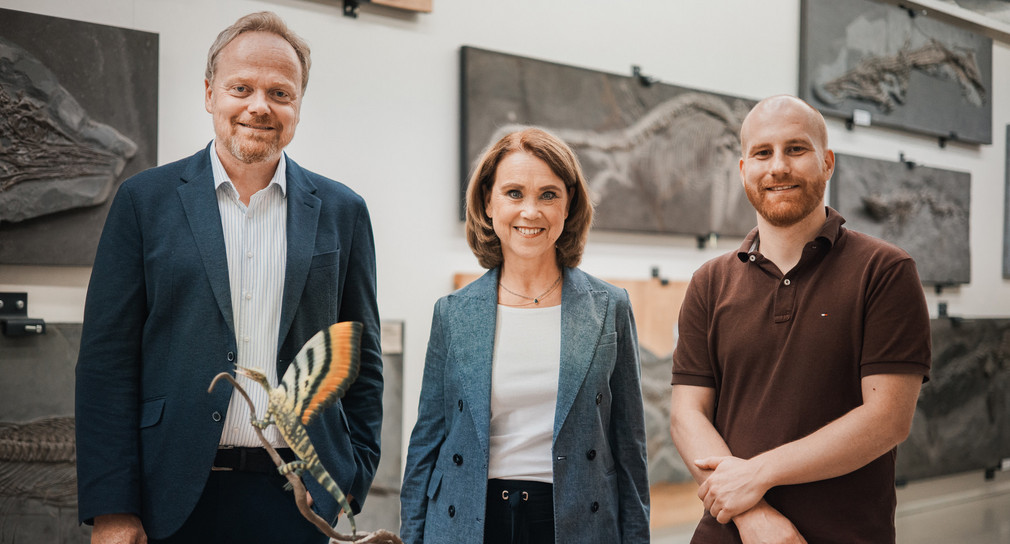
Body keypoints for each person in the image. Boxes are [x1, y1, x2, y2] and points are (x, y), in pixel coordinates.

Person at [74, 11, 382, 544]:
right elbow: (107, 365)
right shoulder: (143, 202)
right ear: (210, 93)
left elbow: (361, 358)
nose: (259, 106)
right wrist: (112, 508)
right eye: (241, 88)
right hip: (169, 496)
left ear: (298, 105)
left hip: (299, 500)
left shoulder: (343, 211)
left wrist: (348, 480)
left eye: (280, 93)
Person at [669, 95, 932, 544]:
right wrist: (753, 516)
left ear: (827, 162)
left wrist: (758, 474)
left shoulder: (885, 271)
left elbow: (887, 418)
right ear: (743, 169)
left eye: (796, 149)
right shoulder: (709, 282)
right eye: (762, 153)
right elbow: (686, 415)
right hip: (729, 533)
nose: (778, 167)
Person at [399, 127, 650, 543]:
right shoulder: (452, 313)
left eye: (548, 195)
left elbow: (630, 446)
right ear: (488, 202)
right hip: (468, 521)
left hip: (577, 521)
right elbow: (427, 440)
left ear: (568, 204)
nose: (530, 211)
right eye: (514, 193)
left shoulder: (610, 307)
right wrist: (410, 537)